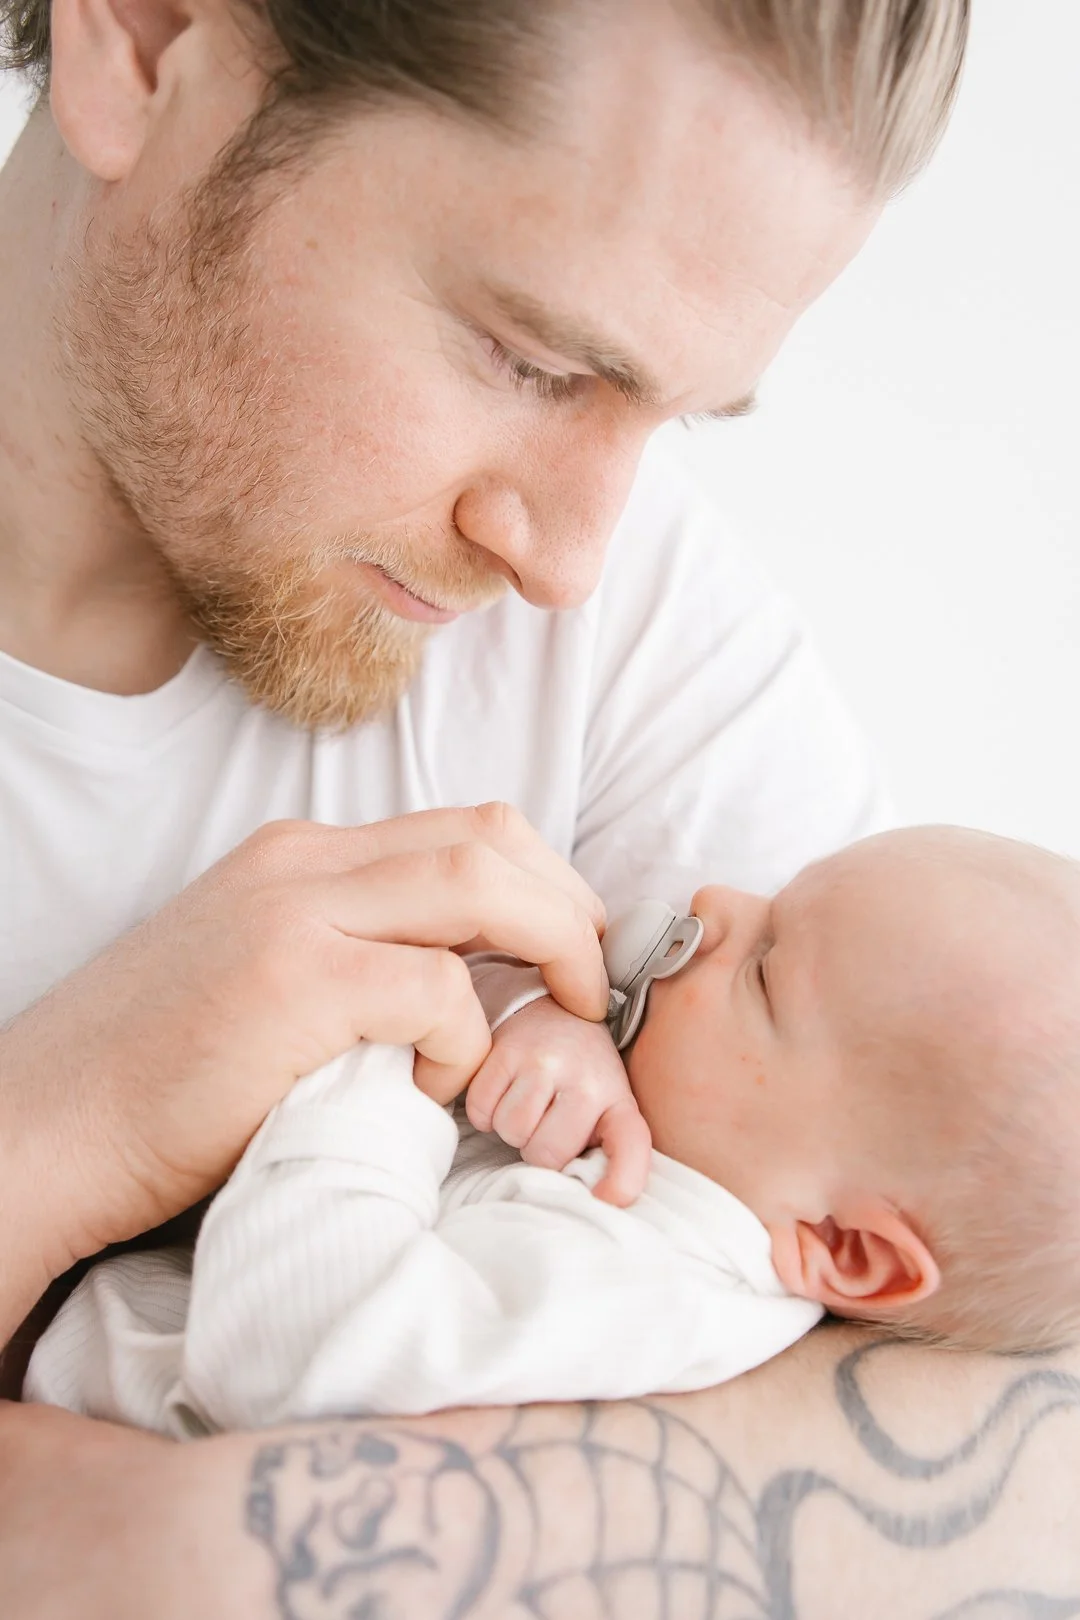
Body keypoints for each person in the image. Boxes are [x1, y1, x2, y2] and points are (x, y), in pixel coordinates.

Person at [4, 0, 1078, 1614]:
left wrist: (174, 1551)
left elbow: (1023, 1324)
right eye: (534, 359)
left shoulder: (625, 620)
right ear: (147, 44)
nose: (568, 555)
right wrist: (70, 1124)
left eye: (669, 417)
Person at [24, 825, 1080, 1437]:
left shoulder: (640, 1286)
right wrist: (532, 1013)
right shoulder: (680, 1153)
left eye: (761, 966)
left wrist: (384, 1046)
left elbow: (291, 1352)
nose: (716, 897)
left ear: (843, 1249)